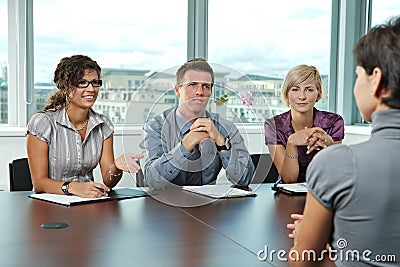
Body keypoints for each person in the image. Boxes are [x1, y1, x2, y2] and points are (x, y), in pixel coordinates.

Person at [287, 16, 400, 266]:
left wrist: (317, 245)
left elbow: (303, 262)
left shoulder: (337, 163)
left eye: (358, 74)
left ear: (376, 80)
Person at [26, 55, 143, 198]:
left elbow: (109, 180)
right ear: (66, 87)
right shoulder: (43, 122)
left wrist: (116, 168)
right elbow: (39, 183)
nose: (91, 89)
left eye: (95, 82)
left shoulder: (103, 125)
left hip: (88, 203)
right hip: (50, 204)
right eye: (82, 83)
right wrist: (73, 188)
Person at [140, 58, 254, 189]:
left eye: (206, 86)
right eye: (192, 85)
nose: (200, 92)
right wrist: (186, 144)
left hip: (209, 206)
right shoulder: (155, 128)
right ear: (177, 90)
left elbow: (244, 180)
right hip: (166, 205)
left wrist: (222, 143)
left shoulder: (225, 127)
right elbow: (152, 180)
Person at [264, 65, 344, 183]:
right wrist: (291, 143)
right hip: (287, 196)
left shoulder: (334, 122)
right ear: (286, 94)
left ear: (319, 94)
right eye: (295, 89)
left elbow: (336, 173)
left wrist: (330, 145)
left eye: (309, 90)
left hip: (323, 191)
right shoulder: (273, 126)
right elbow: (289, 179)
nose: (302, 96)